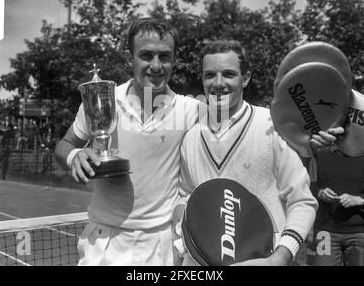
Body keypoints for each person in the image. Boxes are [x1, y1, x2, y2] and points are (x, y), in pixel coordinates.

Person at [54, 17, 200, 265]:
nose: (156, 66)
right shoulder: (101, 98)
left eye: (164, 56)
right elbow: (63, 145)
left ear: (174, 59)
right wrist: (74, 155)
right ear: (130, 58)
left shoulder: (190, 109)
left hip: (161, 246)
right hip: (104, 242)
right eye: (146, 55)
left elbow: (235, 119)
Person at [175, 40, 318, 266]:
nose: (218, 83)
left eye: (229, 74)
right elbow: (184, 200)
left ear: (246, 78)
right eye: (210, 75)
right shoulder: (190, 137)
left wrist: (279, 258)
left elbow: (302, 201)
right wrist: (182, 246)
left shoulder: (271, 126)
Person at [310, 146, 364, 266]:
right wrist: (320, 192)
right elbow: (308, 187)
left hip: (359, 234)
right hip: (325, 233)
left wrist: (359, 200)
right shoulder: (320, 156)